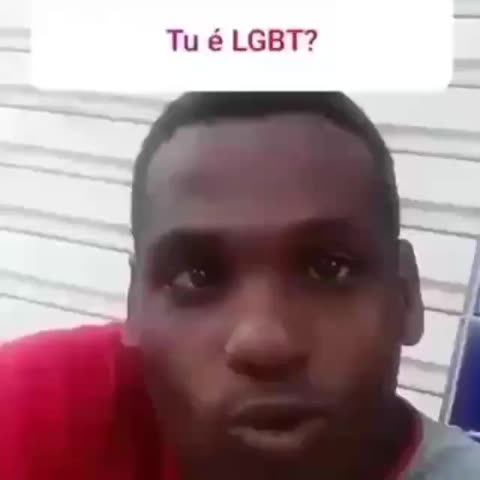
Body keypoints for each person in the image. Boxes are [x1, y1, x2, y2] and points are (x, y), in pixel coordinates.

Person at [0, 92, 478, 480]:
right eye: (197, 276)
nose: (263, 341)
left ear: (406, 296)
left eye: (329, 267)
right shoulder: (44, 410)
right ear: (135, 307)